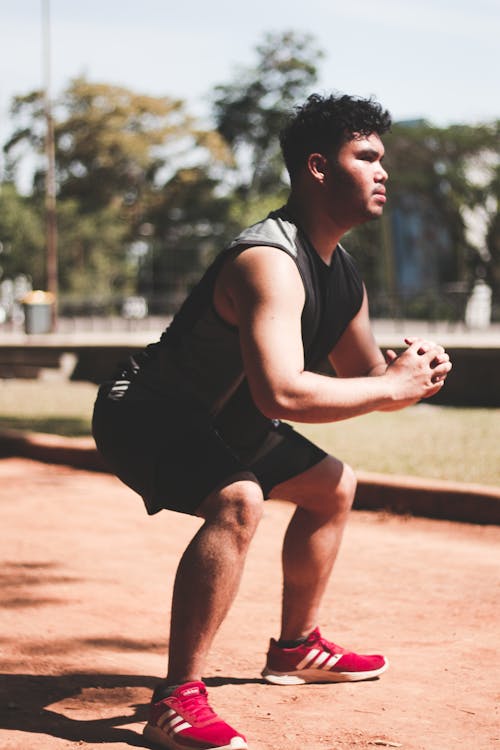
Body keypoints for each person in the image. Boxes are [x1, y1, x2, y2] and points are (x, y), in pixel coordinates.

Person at [92, 92, 452, 750]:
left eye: (382, 160)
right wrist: (390, 388)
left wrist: (411, 374)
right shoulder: (268, 262)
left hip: (222, 419)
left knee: (331, 485)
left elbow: (362, 377)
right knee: (238, 498)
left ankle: (295, 648)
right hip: (143, 411)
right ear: (317, 166)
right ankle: (176, 699)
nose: (382, 172)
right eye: (365, 157)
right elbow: (283, 394)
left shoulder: (342, 275)